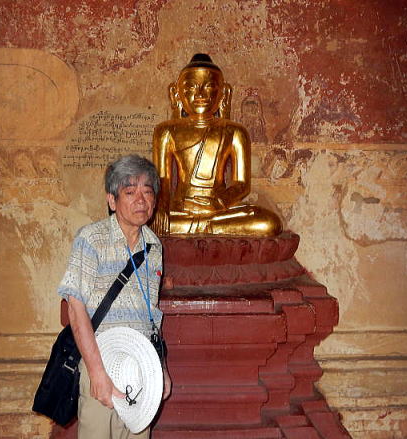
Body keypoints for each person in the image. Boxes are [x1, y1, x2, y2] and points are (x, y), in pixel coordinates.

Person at [58, 154, 172, 439]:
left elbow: (152, 314)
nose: (141, 200)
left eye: (148, 192)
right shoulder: (92, 239)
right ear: (112, 200)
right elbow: (75, 309)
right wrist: (97, 373)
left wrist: (160, 368)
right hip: (101, 361)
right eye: (130, 192)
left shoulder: (153, 246)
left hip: (140, 367)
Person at [152, 53, 283, 236]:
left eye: (209, 86)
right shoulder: (166, 131)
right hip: (182, 210)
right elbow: (162, 180)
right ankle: (208, 228)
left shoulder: (235, 132)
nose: (200, 94)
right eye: (191, 87)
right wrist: (160, 210)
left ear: (224, 93)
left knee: (269, 223)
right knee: (148, 223)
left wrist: (219, 203)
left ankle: (204, 227)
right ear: (176, 93)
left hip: (220, 210)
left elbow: (242, 184)